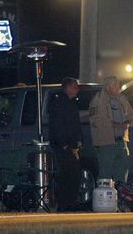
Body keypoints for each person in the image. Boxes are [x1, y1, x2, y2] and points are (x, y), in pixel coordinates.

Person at [89, 76, 133, 183]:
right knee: (105, 174)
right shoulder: (98, 100)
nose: (118, 87)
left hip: (121, 142)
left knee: (122, 172)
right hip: (106, 144)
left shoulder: (121, 99)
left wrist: (126, 122)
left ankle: (120, 195)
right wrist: (113, 125)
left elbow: (131, 115)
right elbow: (95, 120)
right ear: (108, 87)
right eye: (116, 85)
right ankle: (104, 197)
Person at [49, 77, 83, 211]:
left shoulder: (70, 103)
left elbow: (74, 125)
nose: (77, 90)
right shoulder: (60, 104)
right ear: (67, 88)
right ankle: (65, 204)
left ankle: (69, 203)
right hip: (64, 146)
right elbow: (58, 126)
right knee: (67, 175)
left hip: (71, 145)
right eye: (75, 87)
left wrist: (79, 142)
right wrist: (65, 144)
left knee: (73, 175)